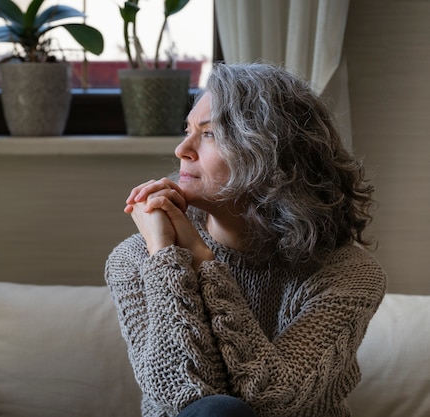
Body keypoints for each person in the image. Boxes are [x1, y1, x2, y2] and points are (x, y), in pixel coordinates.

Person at [104, 63, 387, 417]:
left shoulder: (348, 274)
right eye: (188, 130)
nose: (182, 149)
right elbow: (179, 392)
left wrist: (201, 260)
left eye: (209, 134)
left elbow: (272, 397)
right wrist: (165, 256)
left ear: (270, 153)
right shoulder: (136, 258)